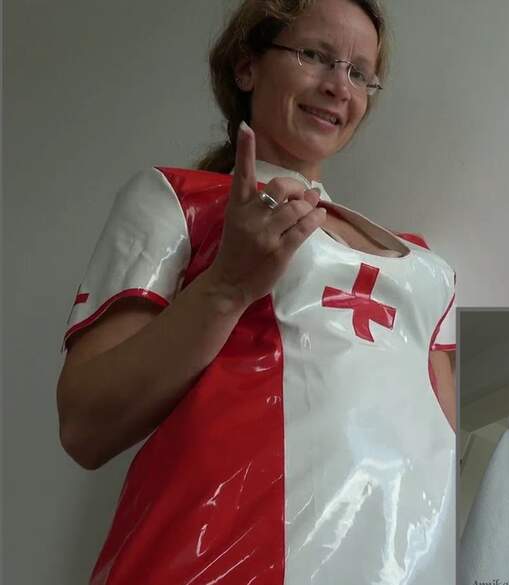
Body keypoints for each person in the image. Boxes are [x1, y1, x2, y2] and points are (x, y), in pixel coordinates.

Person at [56, 1, 456, 583]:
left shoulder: (427, 266)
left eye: (359, 72)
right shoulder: (179, 199)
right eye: (315, 55)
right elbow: (85, 426)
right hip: (216, 559)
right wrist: (228, 286)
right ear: (247, 67)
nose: (338, 86)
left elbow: (442, 443)